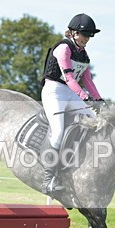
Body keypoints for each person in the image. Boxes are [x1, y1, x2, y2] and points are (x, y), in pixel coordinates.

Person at [40, 13, 105, 195]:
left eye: (89, 36)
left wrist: (99, 100)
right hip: (54, 91)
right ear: (74, 33)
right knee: (58, 132)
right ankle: (47, 180)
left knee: (94, 121)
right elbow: (68, 77)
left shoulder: (83, 54)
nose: (87, 39)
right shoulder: (63, 48)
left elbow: (88, 80)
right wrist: (84, 97)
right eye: (85, 35)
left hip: (70, 93)